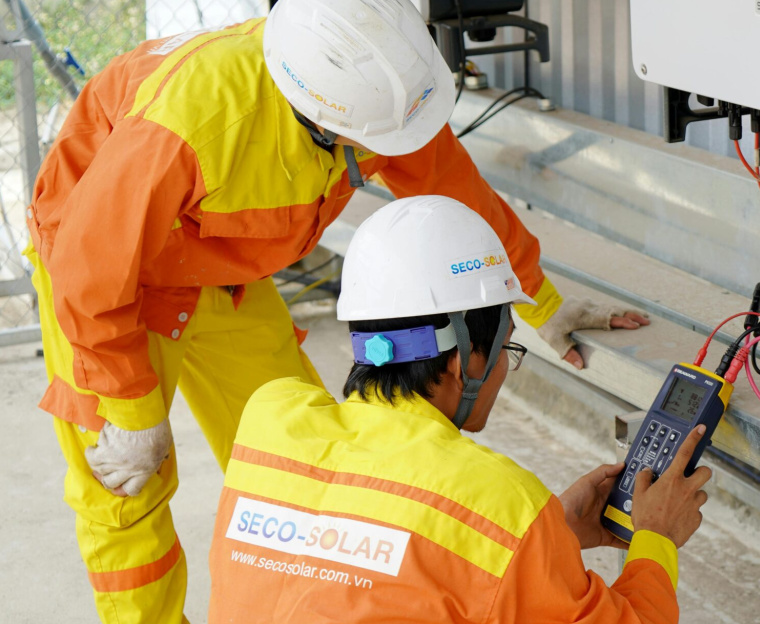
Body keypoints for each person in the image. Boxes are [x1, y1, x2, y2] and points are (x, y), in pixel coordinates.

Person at [24, 1, 646, 621]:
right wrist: (130, 408)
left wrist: (539, 299)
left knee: (310, 460)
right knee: (126, 488)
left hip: (217, 269)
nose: (389, 151)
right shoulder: (192, 123)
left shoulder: (371, 90)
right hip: (107, 283)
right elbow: (91, 266)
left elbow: (456, 193)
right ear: (319, 117)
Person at [207, 196, 709, 623]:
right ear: (466, 359)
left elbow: (382, 558)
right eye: (508, 350)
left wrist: (545, 535)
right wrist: (655, 537)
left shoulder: (269, 422)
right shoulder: (500, 503)